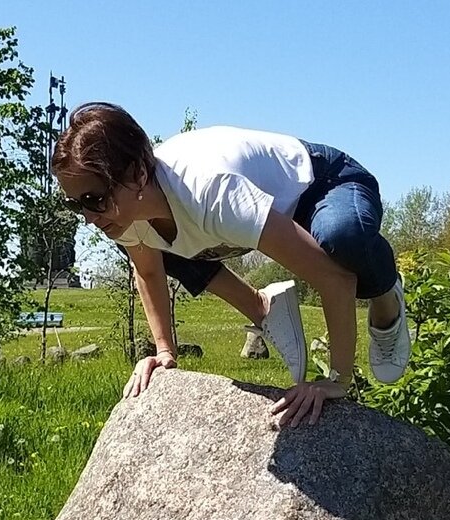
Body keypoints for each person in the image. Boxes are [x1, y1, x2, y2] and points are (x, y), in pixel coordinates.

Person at [52, 103, 410, 428]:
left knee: (342, 237)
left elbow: (335, 279)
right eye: (76, 204)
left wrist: (335, 381)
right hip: (252, 214)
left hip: (321, 182)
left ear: (136, 175)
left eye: (94, 199)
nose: (87, 217)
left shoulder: (211, 193)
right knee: (164, 245)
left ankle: (386, 298)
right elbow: (148, 271)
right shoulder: (123, 215)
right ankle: (262, 307)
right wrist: (164, 354)